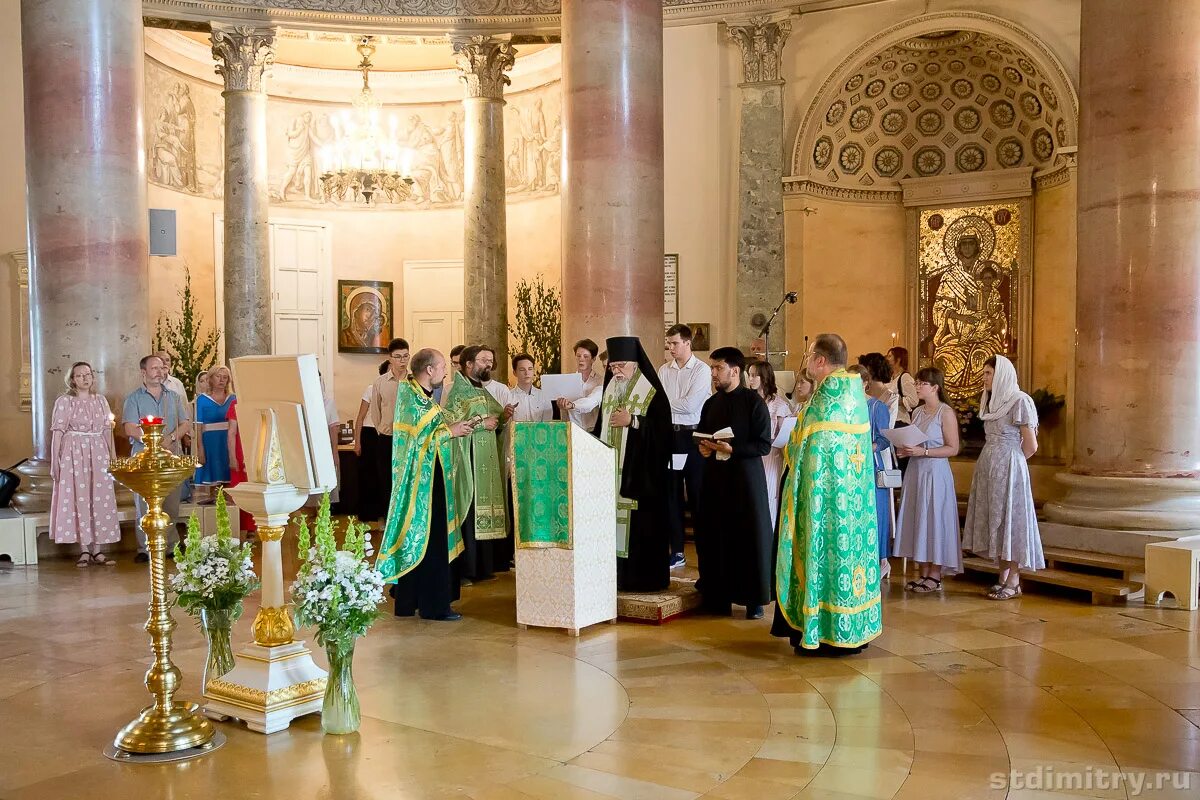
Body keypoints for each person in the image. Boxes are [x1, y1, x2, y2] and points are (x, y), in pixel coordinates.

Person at [771, 333, 881, 656]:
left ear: (820, 361)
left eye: (809, 356)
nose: (807, 362)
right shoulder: (855, 398)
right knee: (848, 558)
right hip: (853, 504)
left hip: (825, 503)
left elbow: (799, 449)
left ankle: (822, 630)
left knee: (824, 555)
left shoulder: (823, 404)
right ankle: (852, 629)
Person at [377, 348, 478, 621]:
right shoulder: (410, 398)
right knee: (431, 541)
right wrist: (450, 431)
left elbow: (430, 432)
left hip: (431, 478)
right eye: (443, 366)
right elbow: (417, 442)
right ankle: (434, 606)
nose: (446, 372)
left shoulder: (422, 397)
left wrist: (457, 427)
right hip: (421, 485)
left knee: (427, 539)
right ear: (429, 370)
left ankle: (411, 600)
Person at [695, 347, 773, 618]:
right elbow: (702, 435)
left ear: (735, 371)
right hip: (716, 480)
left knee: (748, 537)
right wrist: (704, 448)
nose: (713, 374)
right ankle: (718, 596)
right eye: (712, 369)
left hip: (745, 481)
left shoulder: (754, 402)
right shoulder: (711, 404)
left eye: (718, 368)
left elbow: (763, 444)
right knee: (715, 536)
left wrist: (733, 449)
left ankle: (753, 600)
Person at [962, 355, 1044, 600]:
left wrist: (1012, 465)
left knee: (1012, 520)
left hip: (1010, 467)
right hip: (989, 465)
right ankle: (1002, 575)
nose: (984, 378)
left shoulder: (1019, 400)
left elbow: (1030, 445)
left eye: (988, 373)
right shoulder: (990, 401)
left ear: (1002, 375)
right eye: (985, 373)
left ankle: (1014, 578)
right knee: (996, 518)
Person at [595, 336, 673, 592]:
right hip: (610, 475)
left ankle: (643, 579)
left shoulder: (652, 392)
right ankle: (614, 577)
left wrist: (634, 421)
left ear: (636, 364)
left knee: (641, 529)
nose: (616, 371)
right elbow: (600, 428)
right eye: (612, 366)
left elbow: (663, 433)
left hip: (640, 477)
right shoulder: (609, 390)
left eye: (621, 366)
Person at [442, 344, 509, 581]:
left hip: (485, 459)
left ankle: (483, 567)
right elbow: (451, 425)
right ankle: (468, 569)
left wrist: (503, 418)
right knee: (470, 511)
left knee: (484, 510)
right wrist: (483, 424)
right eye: (482, 360)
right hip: (469, 460)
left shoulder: (481, 390)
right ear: (468, 364)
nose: (487, 364)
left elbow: (495, 420)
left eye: (490, 360)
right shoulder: (459, 392)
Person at [893, 366, 962, 593]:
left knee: (935, 517)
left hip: (935, 471)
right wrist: (905, 449)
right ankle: (923, 570)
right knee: (918, 516)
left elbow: (952, 448)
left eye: (922, 384)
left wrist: (922, 452)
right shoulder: (919, 412)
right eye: (917, 382)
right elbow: (915, 438)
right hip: (916, 471)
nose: (917, 387)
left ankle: (935, 573)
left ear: (935, 387)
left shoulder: (945, 413)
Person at [50, 362, 120, 566]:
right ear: (72, 379)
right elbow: (57, 433)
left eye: (88, 374)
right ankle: (84, 549)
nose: (84, 378)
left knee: (99, 496)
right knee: (79, 497)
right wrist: (56, 461)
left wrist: (113, 458)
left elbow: (108, 430)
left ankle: (98, 549)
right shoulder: (65, 401)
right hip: (73, 453)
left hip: (98, 451)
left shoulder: (101, 400)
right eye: (79, 375)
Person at [123, 354, 191, 563]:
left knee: (170, 503)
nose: (160, 372)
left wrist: (170, 438)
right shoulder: (134, 399)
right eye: (154, 368)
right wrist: (152, 441)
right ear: (143, 372)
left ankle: (170, 546)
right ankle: (146, 548)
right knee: (146, 504)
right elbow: (129, 427)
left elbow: (185, 423)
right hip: (144, 457)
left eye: (162, 368)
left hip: (170, 454)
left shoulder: (173, 397)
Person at [658, 324, 712, 569]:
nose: (670, 348)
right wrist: (667, 405)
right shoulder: (663, 370)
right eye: (668, 344)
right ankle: (677, 550)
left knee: (699, 495)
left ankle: (705, 552)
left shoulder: (701, 370)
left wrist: (665, 405)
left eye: (675, 343)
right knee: (671, 495)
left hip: (693, 436)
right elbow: (657, 404)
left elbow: (691, 405)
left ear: (688, 343)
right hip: (670, 436)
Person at [849, 364, 895, 583]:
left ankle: (881, 559)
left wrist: (866, 447)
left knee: (876, 512)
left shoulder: (876, 406)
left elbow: (885, 439)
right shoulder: (846, 406)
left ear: (865, 382)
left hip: (871, 463)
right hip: (850, 465)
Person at [747, 359, 793, 529]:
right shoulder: (749, 402)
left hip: (771, 456)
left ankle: (769, 537)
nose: (750, 379)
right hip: (753, 454)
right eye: (749, 375)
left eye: (754, 376)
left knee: (769, 498)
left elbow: (784, 434)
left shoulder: (778, 405)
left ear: (764, 378)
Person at [368, 338, 410, 521]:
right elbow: (375, 410)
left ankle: (406, 518)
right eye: (398, 357)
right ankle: (388, 518)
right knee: (386, 480)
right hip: (387, 438)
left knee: (407, 479)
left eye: (406, 356)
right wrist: (382, 429)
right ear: (390, 358)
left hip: (409, 439)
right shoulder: (380, 382)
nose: (402, 360)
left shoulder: (414, 381)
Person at [352, 361, 390, 522]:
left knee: (385, 477)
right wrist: (357, 442)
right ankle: (367, 516)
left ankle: (384, 516)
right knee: (368, 475)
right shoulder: (371, 388)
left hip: (387, 434)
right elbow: (360, 417)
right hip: (369, 434)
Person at [193, 365, 235, 485]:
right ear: (210, 378)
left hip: (229, 440)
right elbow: (198, 428)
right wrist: (200, 450)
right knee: (212, 479)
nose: (222, 380)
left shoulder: (233, 398)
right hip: (210, 442)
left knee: (229, 477)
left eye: (225, 377)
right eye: (218, 376)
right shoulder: (202, 399)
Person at [555, 338, 604, 431]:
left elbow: (591, 402)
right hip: (573, 429)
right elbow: (563, 412)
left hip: (593, 430)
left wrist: (572, 405)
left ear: (593, 359)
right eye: (578, 356)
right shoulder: (567, 380)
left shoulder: (600, 381)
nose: (581, 359)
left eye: (585, 356)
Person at [885, 346, 919, 425]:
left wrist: (896, 400)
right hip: (890, 419)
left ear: (898, 359)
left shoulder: (904, 377)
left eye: (890, 356)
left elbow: (914, 401)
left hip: (899, 420)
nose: (887, 359)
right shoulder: (890, 377)